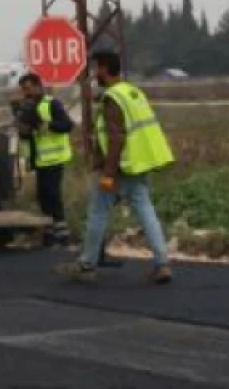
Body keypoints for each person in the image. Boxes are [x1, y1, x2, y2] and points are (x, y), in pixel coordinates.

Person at [56, 52, 174, 285]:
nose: (94, 74)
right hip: (138, 163)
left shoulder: (113, 99)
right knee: (145, 210)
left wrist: (108, 172)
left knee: (98, 212)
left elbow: (116, 137)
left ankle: (87, 264)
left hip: (120, 166)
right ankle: (162, 263)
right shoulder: (132, 92)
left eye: (96, 68)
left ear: (104, 68)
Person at [16, 72, 75, 246]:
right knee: (43, 196)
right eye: (23, 90)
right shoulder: (27, 107)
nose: (26, 93)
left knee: (52, 195)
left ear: (37, 86)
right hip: (40, 160)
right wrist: (24, 129)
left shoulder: (52, 104)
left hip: (55, 158)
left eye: (28, 88)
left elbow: (67, 125)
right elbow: (27, 136)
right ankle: (49, 231)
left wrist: (45, 124)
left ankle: (62, 232)